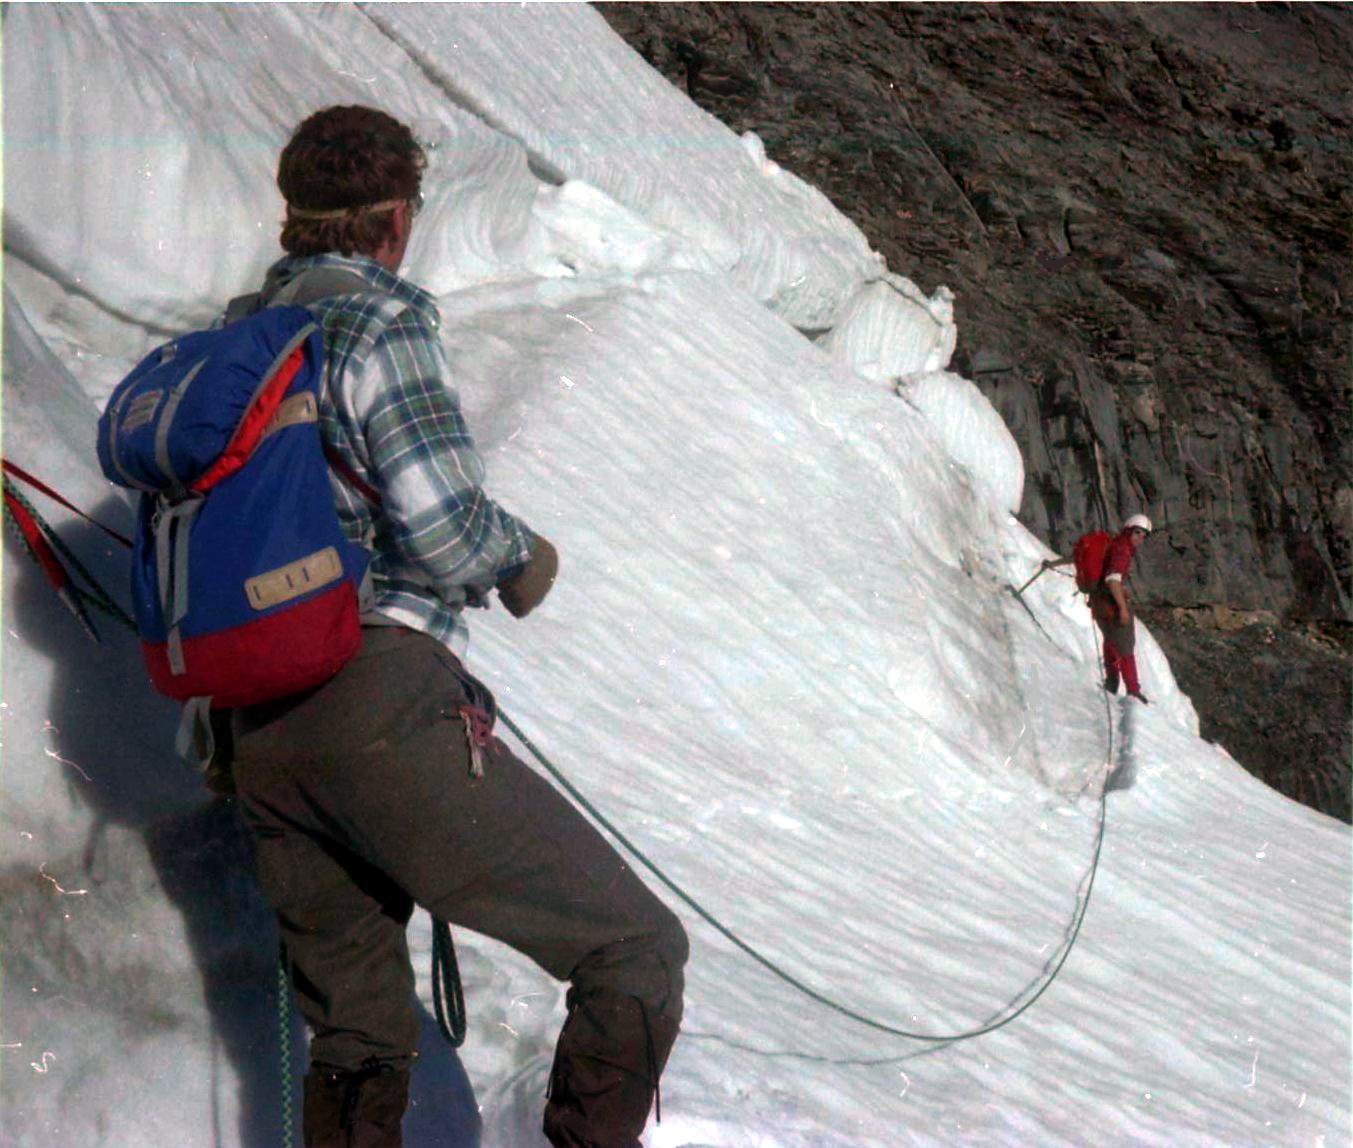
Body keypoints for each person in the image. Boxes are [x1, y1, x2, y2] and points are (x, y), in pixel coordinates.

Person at [226, 106, 687, 1148]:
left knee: (358, 1035)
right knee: (635, 946)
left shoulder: (235, 333)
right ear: (395, 219)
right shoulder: (381, 323)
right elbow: (442, 523)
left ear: (293, 217)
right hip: (375, 699)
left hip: (254, 729)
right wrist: (521, 558)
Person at [1044, 514, 1153, 704]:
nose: (1139, 539)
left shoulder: (1109, 543)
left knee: (1110, 642)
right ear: (1129, 530)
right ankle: (1133, 691)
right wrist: (1122, 608)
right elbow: (1113, 578)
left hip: (1099, 606)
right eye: (1137, 533)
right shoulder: (1122, 549)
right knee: (1125, 648)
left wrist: (1052, 564)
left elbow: (1078, 559)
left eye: (1143, 536)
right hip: (1112, 606)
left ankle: (1112, 683)